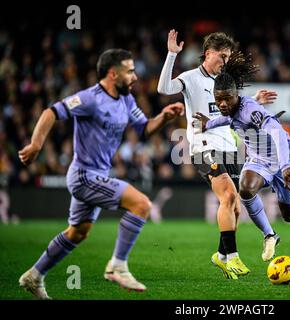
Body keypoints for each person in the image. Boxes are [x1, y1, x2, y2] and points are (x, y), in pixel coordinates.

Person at [18, 49, 184, 299]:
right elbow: (50, 112)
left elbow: (144, 129)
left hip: (97, 175)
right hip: (84, 175)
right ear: (112, 74)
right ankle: (117, 265)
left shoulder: (126, 100)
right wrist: (36, 145)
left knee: (78, 232)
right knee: (141, 204)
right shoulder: (89, 98)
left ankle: (35, 275)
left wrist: (163, 117)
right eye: (130, 71)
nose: (135, 77)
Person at [158, 30, 277, 278]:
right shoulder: (190, 78)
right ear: (208, 52)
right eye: (222, 56)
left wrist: (254, 99)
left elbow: (234, 108)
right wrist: (171, 55)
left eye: (227, 57)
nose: (224, 61)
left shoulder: (224, 81)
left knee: (234, 207)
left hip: (229, 148)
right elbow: (163, 88)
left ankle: (220, 256)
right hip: (203, 146)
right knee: (228, 194)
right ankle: (232, 257)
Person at [193, 51, 290, 261]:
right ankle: (270, 235)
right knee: (244, 189)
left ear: (237, 96)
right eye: (219, 100)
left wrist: (285, 166)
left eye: (227, 99)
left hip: (284, 159)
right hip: (258, 161)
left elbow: (278, 133)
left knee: (288, 214)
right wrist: (208, 124)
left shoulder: (251, 110)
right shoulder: (232, 110)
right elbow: (228, 119)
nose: (223, 104)